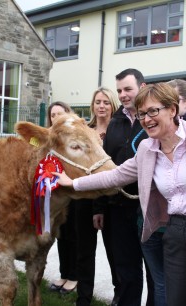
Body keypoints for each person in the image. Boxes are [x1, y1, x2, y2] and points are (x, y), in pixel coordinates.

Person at [54, 82, 186, 306]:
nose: (147, 119)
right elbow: (115, 176)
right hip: (174, 231)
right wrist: (73, 183)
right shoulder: (147, 149)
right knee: (175, 296)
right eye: (141, 114)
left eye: (153, 111)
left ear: (173, 109)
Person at [101, 68, 149, 306]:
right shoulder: (114, 123)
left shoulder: (153, 117)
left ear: (142, 87)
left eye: (127, 89)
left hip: (149, 207)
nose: (122, 95)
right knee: (126, 267)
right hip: (118, 206)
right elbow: (103, 168)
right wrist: (98, 208)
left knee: (154, 269)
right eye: (119, 90)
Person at [75, 87, 120, 306]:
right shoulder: (85, 130)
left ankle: (119, 294)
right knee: (84, 251)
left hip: (111, 198)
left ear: (113, 105)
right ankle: (83, 297)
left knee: (115, 251)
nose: (101, 106)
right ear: (92, 105)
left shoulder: (119, 129)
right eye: (97, 102)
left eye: (106, 102)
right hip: (85, 197)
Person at [47, 101, 79, 294]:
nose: (56, 118)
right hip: (55, 195)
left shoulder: (75, 137)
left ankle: (74, 276)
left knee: (74, 235)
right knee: (61, 235)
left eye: (60, 114)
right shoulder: (47, 138)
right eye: (53, 115)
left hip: (73, 193)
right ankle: (64, 273)